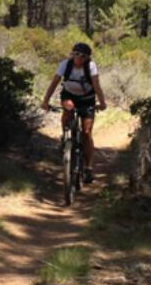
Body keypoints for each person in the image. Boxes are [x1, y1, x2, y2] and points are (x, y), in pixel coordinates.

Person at [40, 42, 107, 183]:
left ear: (87, 58)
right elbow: (54, 82)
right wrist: (45, 101)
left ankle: (88, 168)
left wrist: (102, 103)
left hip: (87, 99)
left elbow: (96, 86)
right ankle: (66, 136)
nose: (78, 58)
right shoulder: (66, 64)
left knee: (87, 132)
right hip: (69, 95)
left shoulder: (91, 67)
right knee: (68, 108)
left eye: (82, 56)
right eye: (75, 54)